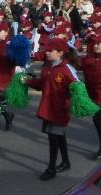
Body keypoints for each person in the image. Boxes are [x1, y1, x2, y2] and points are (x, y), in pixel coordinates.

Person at [24, 38, 78, 181]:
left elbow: (77, 88)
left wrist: (72, 103)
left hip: (59, 109)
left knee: (53, 138)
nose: (46, 53)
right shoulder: (47, 67)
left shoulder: (67, 70)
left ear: (60, 53)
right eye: (46, 50)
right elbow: (41, 84)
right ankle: (65, 162)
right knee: (58, 136)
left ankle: (51, 168)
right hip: (48, 107)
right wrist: (27, 81)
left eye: (50, 51)